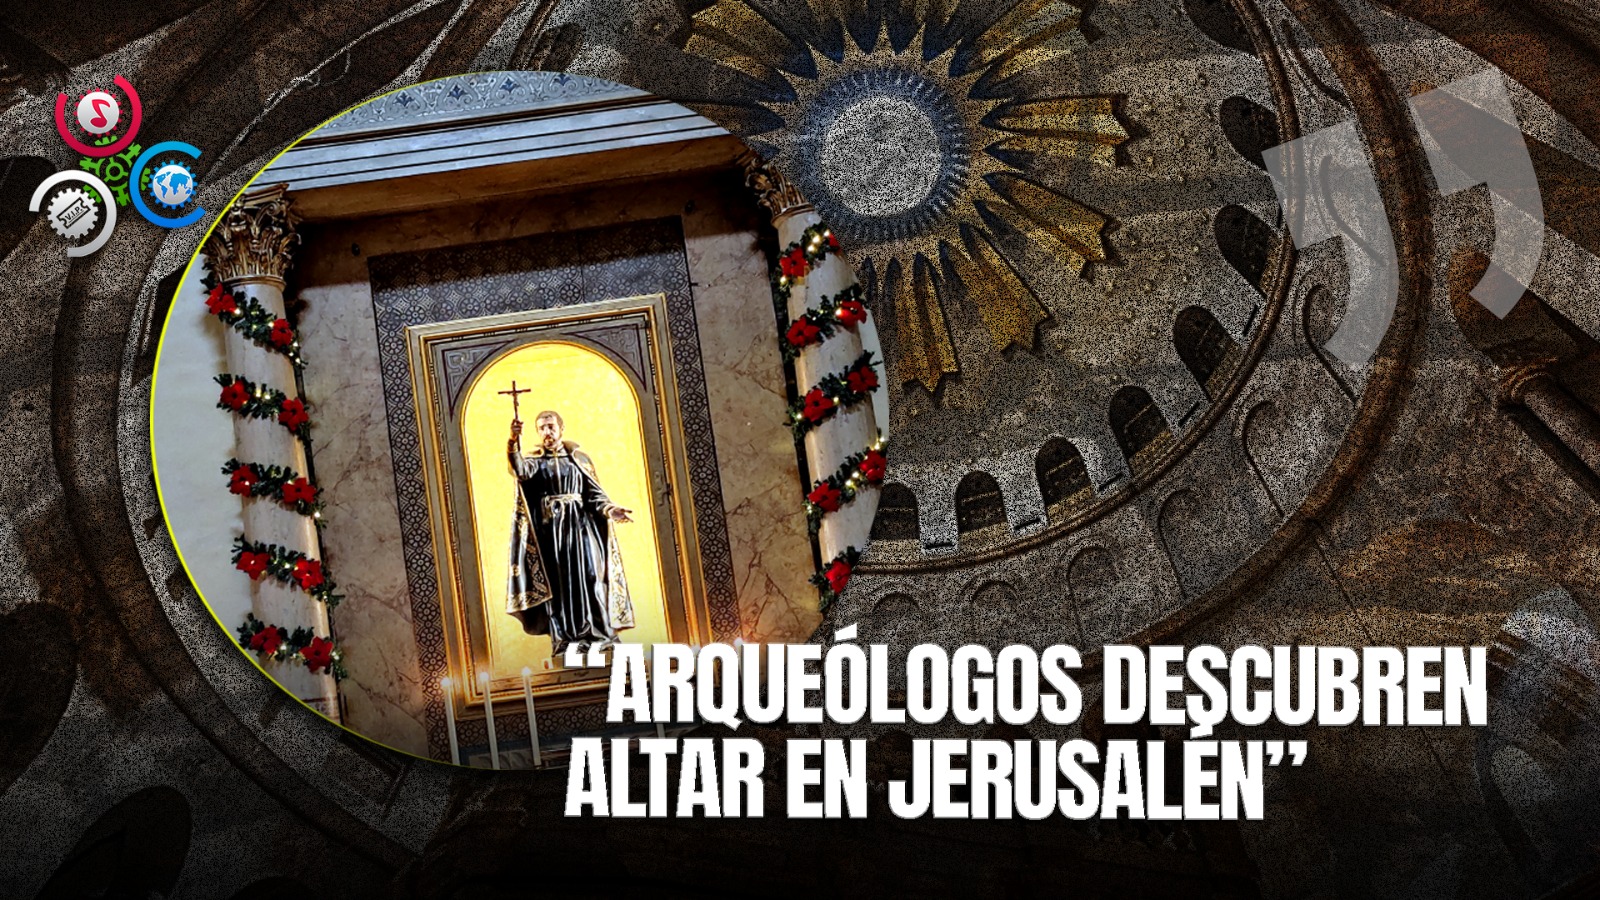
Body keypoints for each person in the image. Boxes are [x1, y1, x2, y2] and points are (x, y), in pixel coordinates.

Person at [505, 410, 635, 656]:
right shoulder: (535, 462)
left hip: (582, 530)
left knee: (592, 579)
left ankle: (600, 636)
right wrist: (513, 441)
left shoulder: (579, 460)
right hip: (551, 535)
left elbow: (595, 495)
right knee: (559, 587)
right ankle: (566, 641)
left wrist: (610, 509)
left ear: (561, 429)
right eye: (542, 427)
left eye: (551, 426)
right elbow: (519, 469)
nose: (547, 432)